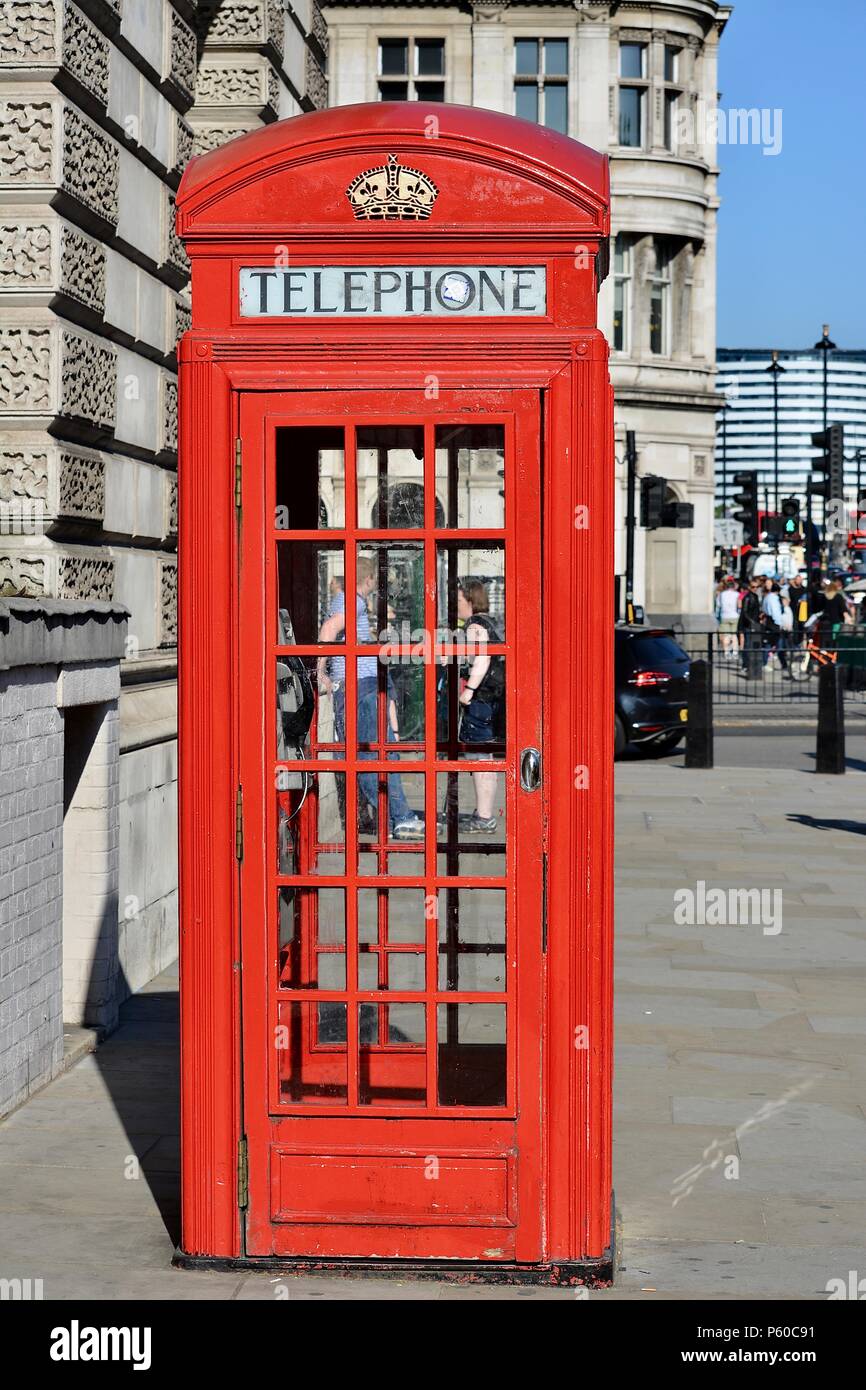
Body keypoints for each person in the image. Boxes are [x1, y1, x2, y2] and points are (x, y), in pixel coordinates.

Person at [317, 557, 423, 840]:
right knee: (371, 756)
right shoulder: (356, 602)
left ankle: (391, 818)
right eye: (376, 579)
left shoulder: (345, 600)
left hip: (360, 686)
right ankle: (399, 817)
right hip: (358, 687)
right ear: (368, 580)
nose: (378, 585)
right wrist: (320, 671)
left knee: (377, 754)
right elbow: (329, 630)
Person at [454, 580, 504, 834]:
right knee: (485, 756)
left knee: (478, 757)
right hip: (493, 697)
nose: (456, 607)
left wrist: (469, 690)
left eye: (460, 602)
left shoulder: (475, 624)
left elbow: (482, 658)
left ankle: (484, 817)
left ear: (471, 602)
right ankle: (484, 813)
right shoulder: (491, 621)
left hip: (481, 697)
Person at [738, 577, 764, 680]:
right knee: (748, 646)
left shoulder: (756, 597)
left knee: (755, 647)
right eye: (753, 587)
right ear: (749, 587)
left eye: (756, 587)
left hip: (755, 625)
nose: (755, 588)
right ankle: (746, 665)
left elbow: (755, 611)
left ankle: (754, 667)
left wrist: (759, 618)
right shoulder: (747, 597)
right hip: (750, 626)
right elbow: (744, 612)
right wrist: (752, 622)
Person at [818, 577, 853, 650]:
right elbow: (843, 610)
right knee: (835, 640)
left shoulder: (824, 597)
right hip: (836, 622)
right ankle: (833, 655)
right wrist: (849, 619)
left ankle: (825, 655)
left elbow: (819, 609)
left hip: (825, 622)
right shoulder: (838, 597)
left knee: (825, 640)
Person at [716, 577, 740, 658]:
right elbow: (739, 606)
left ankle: (726, 653)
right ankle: (735, 653)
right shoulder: (737, 594)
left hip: (724, 616)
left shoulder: (722, 594)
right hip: (735, 615)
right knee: (734, 635)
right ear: (733, 587)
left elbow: (718, 605)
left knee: (726, 635)